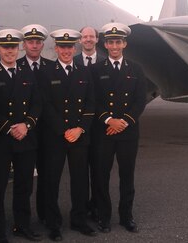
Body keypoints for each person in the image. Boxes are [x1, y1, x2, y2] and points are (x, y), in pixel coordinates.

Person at [0, 29, 42, 243]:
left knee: (24, 185)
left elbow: (37, 103)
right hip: (1, 139)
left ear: (19, 48)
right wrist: (10, 127)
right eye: (5, 47)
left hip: (25, 138)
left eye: (13, 47)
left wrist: (27, 125)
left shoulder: (28, 73)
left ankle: (22, 225)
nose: (9, 51)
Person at [92, 23, 147, 234]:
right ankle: (104, 217)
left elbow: (140, 100)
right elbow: (94, 100)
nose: (114, 45)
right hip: (105, 132)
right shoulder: (96, 70)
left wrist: (123, 121)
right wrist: (108, 120)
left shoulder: (136, 69)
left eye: (118, 41)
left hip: (128, 131)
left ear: (124, 43)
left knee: (127, 175)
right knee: (101, 175)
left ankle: (126, 216)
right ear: (105, 44)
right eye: (111, 42)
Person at [42, 29, 96, 241]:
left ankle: (79, 220)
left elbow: (91, 104)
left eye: (69, 47)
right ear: (56, 48)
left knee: (80, 181)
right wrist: (63, 130)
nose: (66, 50)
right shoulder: (47, 72)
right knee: (51, 181)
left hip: (79, 136)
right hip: (55, 137)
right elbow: (45, 106)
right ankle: (53, 223)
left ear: (75, 48)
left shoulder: (84, 73)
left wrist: (80, 128)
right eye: (62, 47)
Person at [17, 24, 54, 224]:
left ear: (42, 44)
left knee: (47, 178)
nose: (34, 45)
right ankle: (22, 220)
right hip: (26, 131)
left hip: (48, 132)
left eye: (38, 41)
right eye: (30, 41)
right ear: (24, 45)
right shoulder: (17, 66)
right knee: (24, 180)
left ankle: (46, 217)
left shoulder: (51, 67)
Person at [73, 26, 105, 222]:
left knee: (99, 172)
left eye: (91, 36)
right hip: (81, 125)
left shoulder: (105, 61)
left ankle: (98, 209)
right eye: (84, 37)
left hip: (101, 126)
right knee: (80, 173)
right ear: (80, 40)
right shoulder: (73, 61)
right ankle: (82, 210)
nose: (88, 39)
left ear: (97, 39)